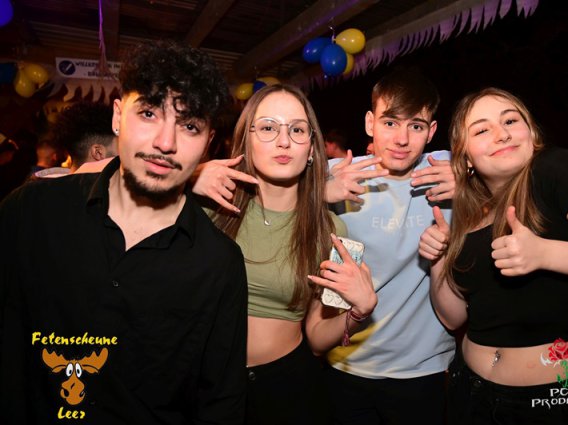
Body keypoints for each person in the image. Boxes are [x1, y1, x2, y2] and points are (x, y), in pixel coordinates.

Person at [0, 39, 248, 425]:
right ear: (118, 117)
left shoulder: (218, 263)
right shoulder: (30, 213)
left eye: (189, 125)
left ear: (208, 143)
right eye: (148, 113)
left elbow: (220, 402)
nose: (165, 142)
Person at [423, 87, 568, 425]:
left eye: (510, 120)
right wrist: (438, 260)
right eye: (481, 130)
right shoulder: (471, 214)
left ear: (532, 133)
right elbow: (452, 317)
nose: (502, 134)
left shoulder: (556, 171)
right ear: (465, 159)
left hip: (546, 402)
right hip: (468, 388)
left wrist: (546, 253)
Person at [201, 83, 377, 425]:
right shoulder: (209, 209)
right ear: (247, 140)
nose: (284, 141)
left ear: (311, 148)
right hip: (205, 383)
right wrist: (190, 175)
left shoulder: (330, 230)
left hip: (286, 389)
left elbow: (317, 338)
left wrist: (359, 312)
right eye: (268, 128)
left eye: (297, 130)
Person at [319, 67, 457, 424]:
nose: (402, 139)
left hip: (422, 368)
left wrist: (470, 178)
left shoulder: (447, 170)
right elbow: (261, 185)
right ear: (370, 123)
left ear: (432, 131)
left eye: (416, 126)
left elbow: (520, 168)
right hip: (346, 361)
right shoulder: (337, 172)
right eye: (390, 122)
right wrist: (319, 191)